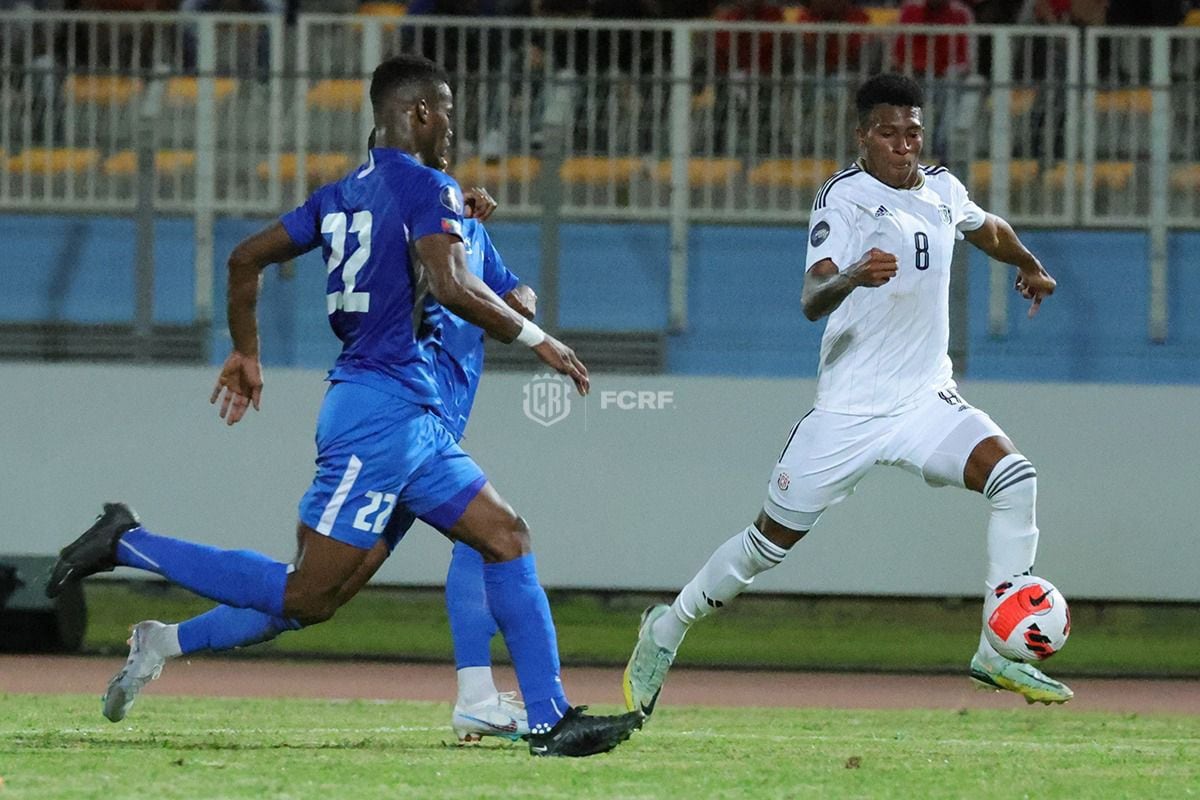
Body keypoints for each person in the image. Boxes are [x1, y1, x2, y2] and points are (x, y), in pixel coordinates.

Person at [46, 53, 643, 758]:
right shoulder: (427, 186)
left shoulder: (340, 196)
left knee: (505, 536)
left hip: (410, 415)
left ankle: (549, 719)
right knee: (307, 595)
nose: (451, 127)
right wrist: (542, 340)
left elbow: (244, 258)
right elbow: (452, 287)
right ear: (420, 112)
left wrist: (246, 351)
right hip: (379, 414)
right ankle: (126, 541)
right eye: (447, 113)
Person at [623, 73, 1067, 720]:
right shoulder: (844, 199)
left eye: (912, 132)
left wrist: (1027, 262)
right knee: (765, 546)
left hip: (925, 401)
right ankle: (666, 629)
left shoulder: (943, 189)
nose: (903, 144)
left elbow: (985, 227)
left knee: (1015, 478)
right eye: (888, 133)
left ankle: (995, 648)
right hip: (849, 412)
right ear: (862, 136)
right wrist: (855, 274)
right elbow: (812, 298)